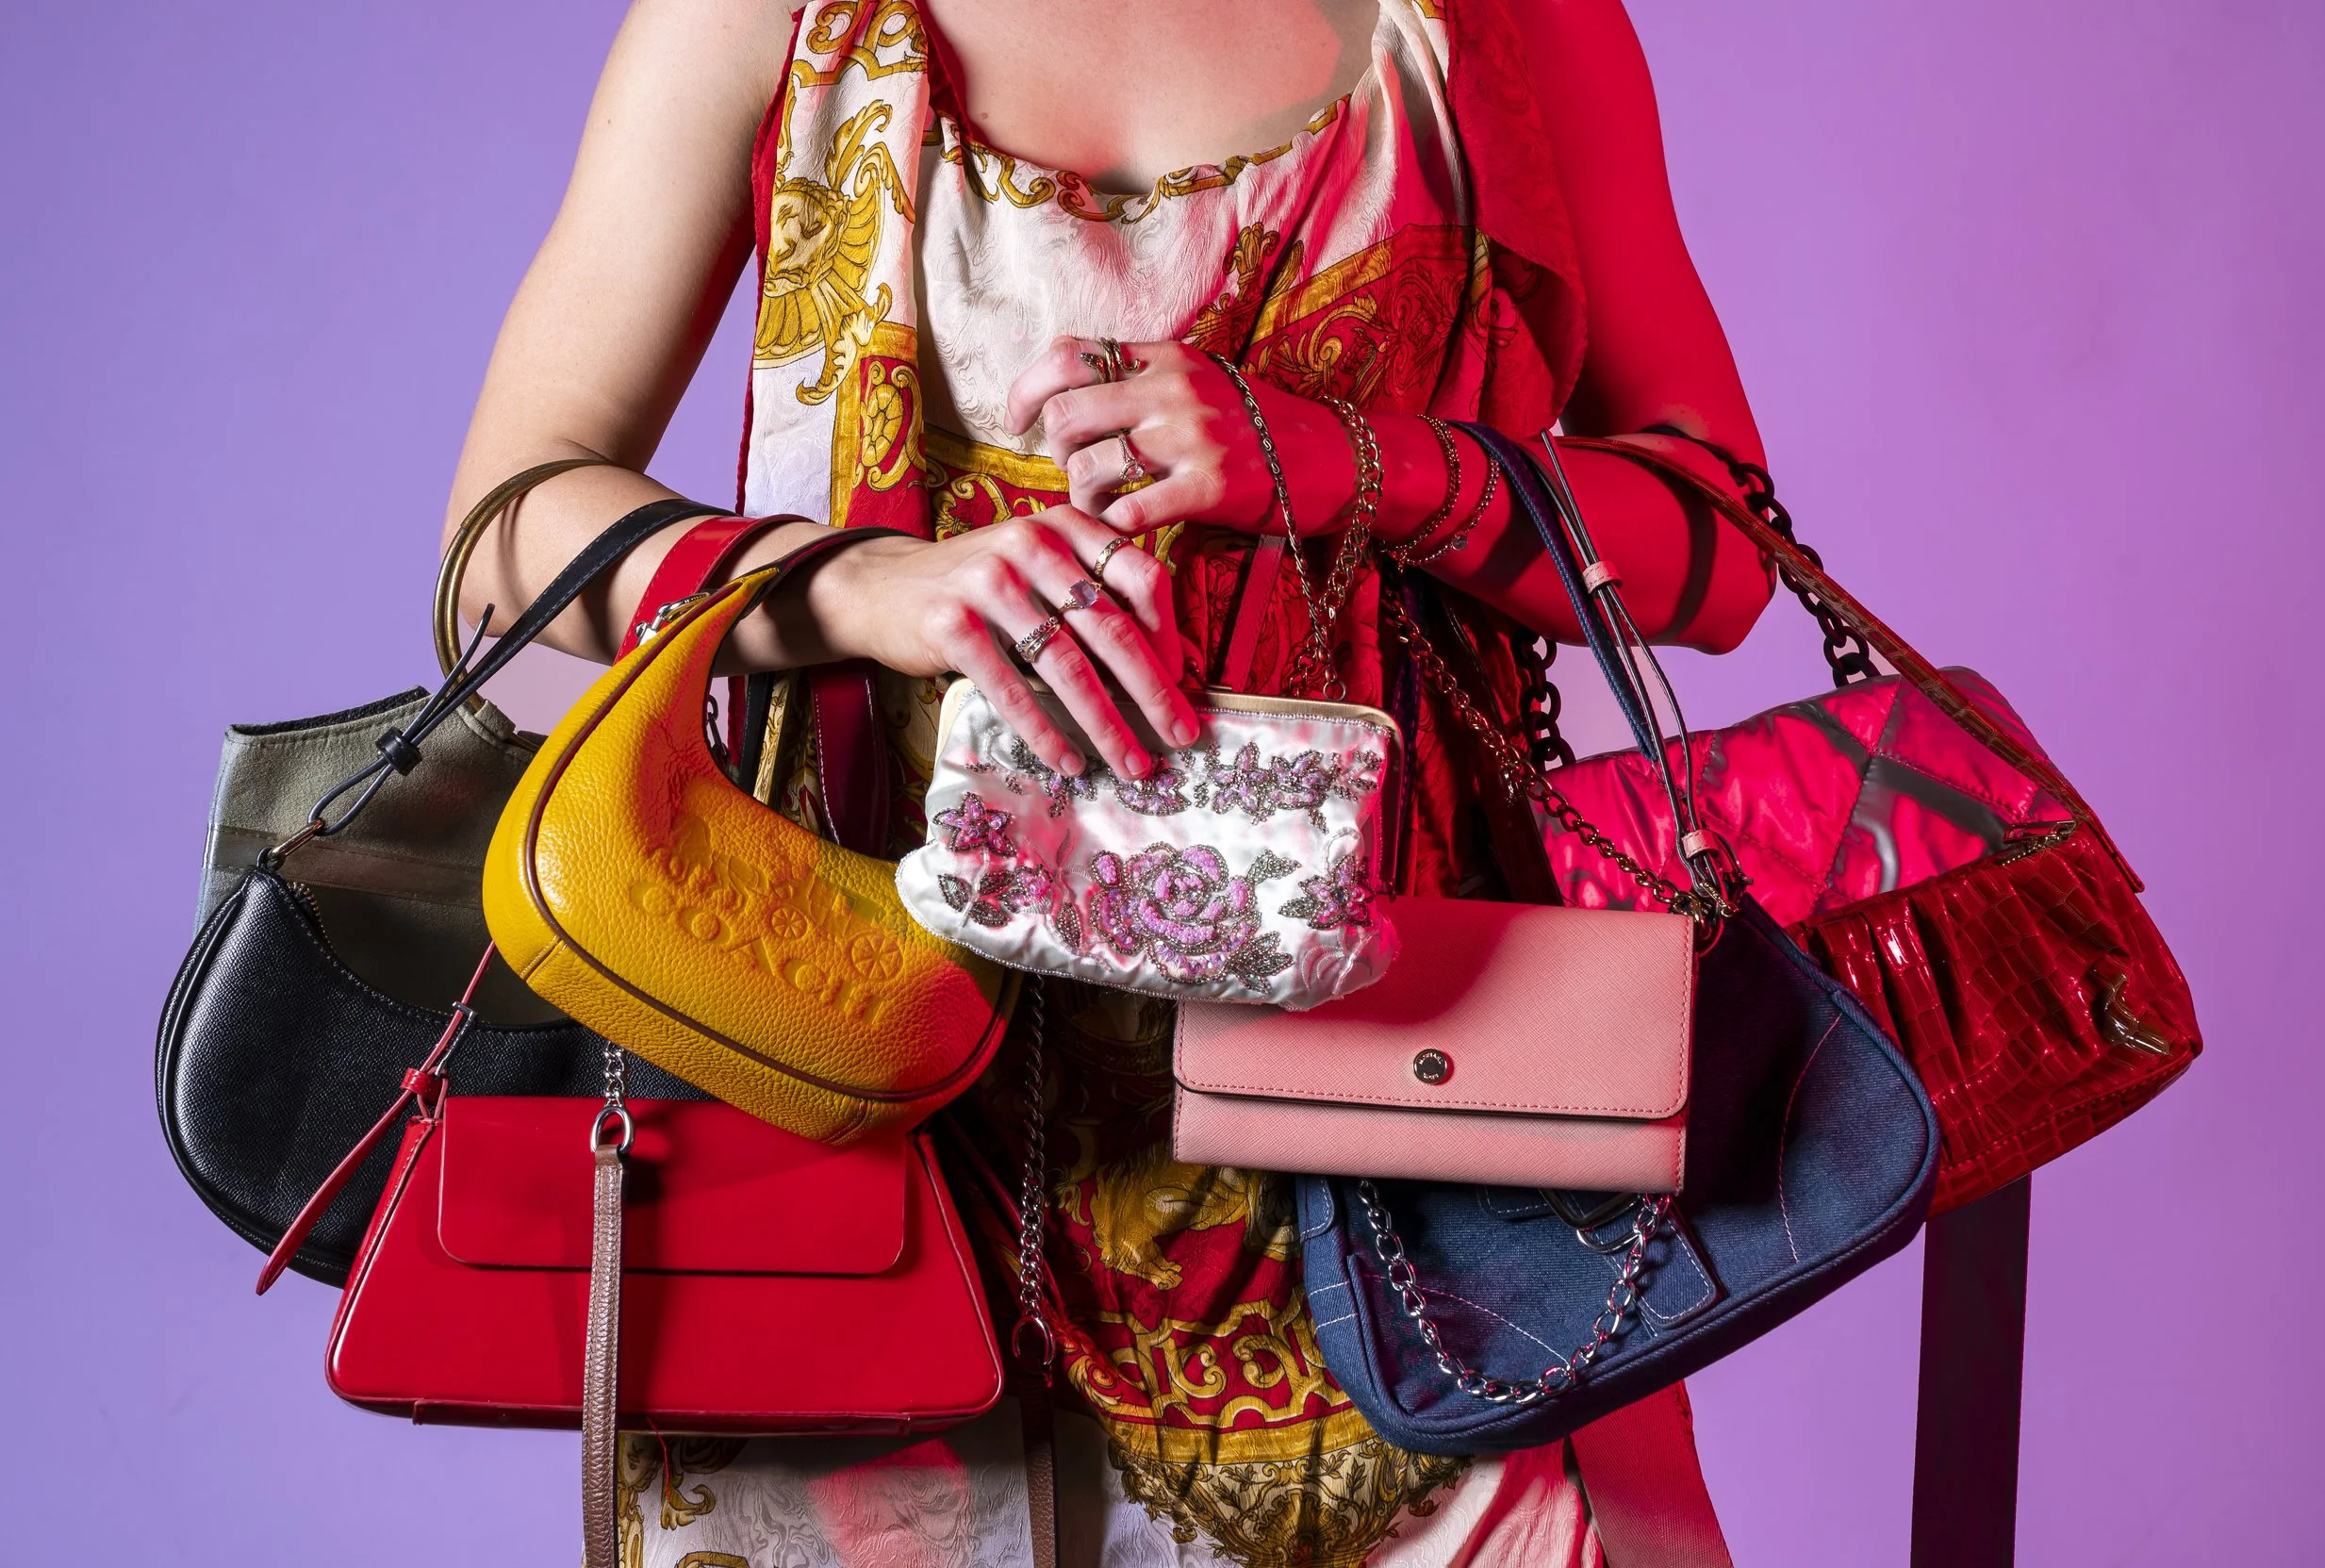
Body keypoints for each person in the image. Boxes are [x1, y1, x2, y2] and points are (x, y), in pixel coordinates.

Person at [444, 0, 1776, 1561]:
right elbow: (504, 539)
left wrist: (1340, 456)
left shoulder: (1503, 23)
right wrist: (866, 587)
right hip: (861, 1102)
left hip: (1404, 1169)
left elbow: (1719, 545)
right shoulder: (768, 19)